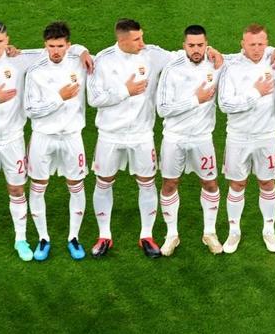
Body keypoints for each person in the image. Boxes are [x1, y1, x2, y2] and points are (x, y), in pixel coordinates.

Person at [0, 21, 92, 262]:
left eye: (1, 41)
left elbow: (81, 51)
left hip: (17, 138)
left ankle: (31, 239)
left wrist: (82, 50)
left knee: (20, 188)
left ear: (8, 41)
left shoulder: (22, 60)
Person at [88, 19, 222, 258]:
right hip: (110, 134)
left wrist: (210, 50)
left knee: (147, 182)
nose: (143, 42)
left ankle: (146, 235)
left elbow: (184, 55)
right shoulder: (102, 60)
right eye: (137, 39)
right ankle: (104, 235)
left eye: (142, 37)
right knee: (104, 181)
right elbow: (94, 99)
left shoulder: (152, 54)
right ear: (122, 40)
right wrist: (124, 90)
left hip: (142, 134)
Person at [24, 22, 91, 261]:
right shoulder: (36, 71)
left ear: (68, 45)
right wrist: (58, 98)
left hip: (72, 136)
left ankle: (73, 237)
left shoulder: (79, 62)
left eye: (60, 46)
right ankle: (43, 238)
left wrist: (82, 51)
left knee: (76, 185)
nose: (56, 51)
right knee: (38, 186)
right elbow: (30, 109)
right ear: (45, 46)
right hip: (43, 137)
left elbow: (89, 54)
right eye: (51, 46)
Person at [156, 25, 224, 256]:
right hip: (174, 138)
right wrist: (196, 99)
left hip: (202, 138)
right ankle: (171, 235)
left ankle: (209, 232)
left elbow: (248, 55)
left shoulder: (215, 65)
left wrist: (274, 50)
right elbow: (162, 109)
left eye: (201, 45)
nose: (196, 50)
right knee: (170, 184)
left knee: (211, 184)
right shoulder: (172, 69)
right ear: (184, 45)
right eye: (192, 45)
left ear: (207, 44)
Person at [217, 24, 275, 253]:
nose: (256, 49)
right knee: (237, 184)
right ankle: (234, 232)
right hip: (238, 137)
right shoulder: (231, 68)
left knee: (267, 183)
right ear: (242, 45)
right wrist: (255, 93)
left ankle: (269, 230)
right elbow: (225, 104)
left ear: (267, 44)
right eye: (252, 44)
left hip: (267, 137)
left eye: (261, 44)